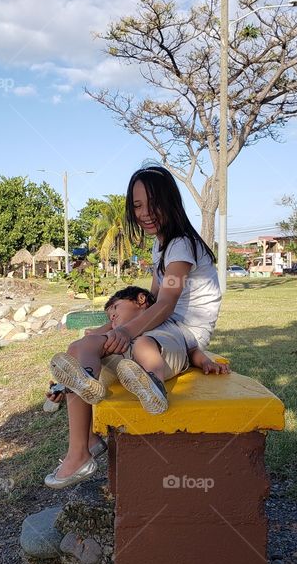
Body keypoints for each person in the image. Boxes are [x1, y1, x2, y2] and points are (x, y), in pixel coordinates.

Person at [44, 165, 223, 489]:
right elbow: (152, 302)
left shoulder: (181, 245)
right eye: (137, 205)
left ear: (170, 201)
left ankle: (152, 383)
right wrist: (103, 331)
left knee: (140, 346)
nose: (144, 213)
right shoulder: (162, 246)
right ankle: (82, 447)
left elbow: (166, 302)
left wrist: (125, 332)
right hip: (158, 326)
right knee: (79, 350)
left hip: (182, 335)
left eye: (152, 202)